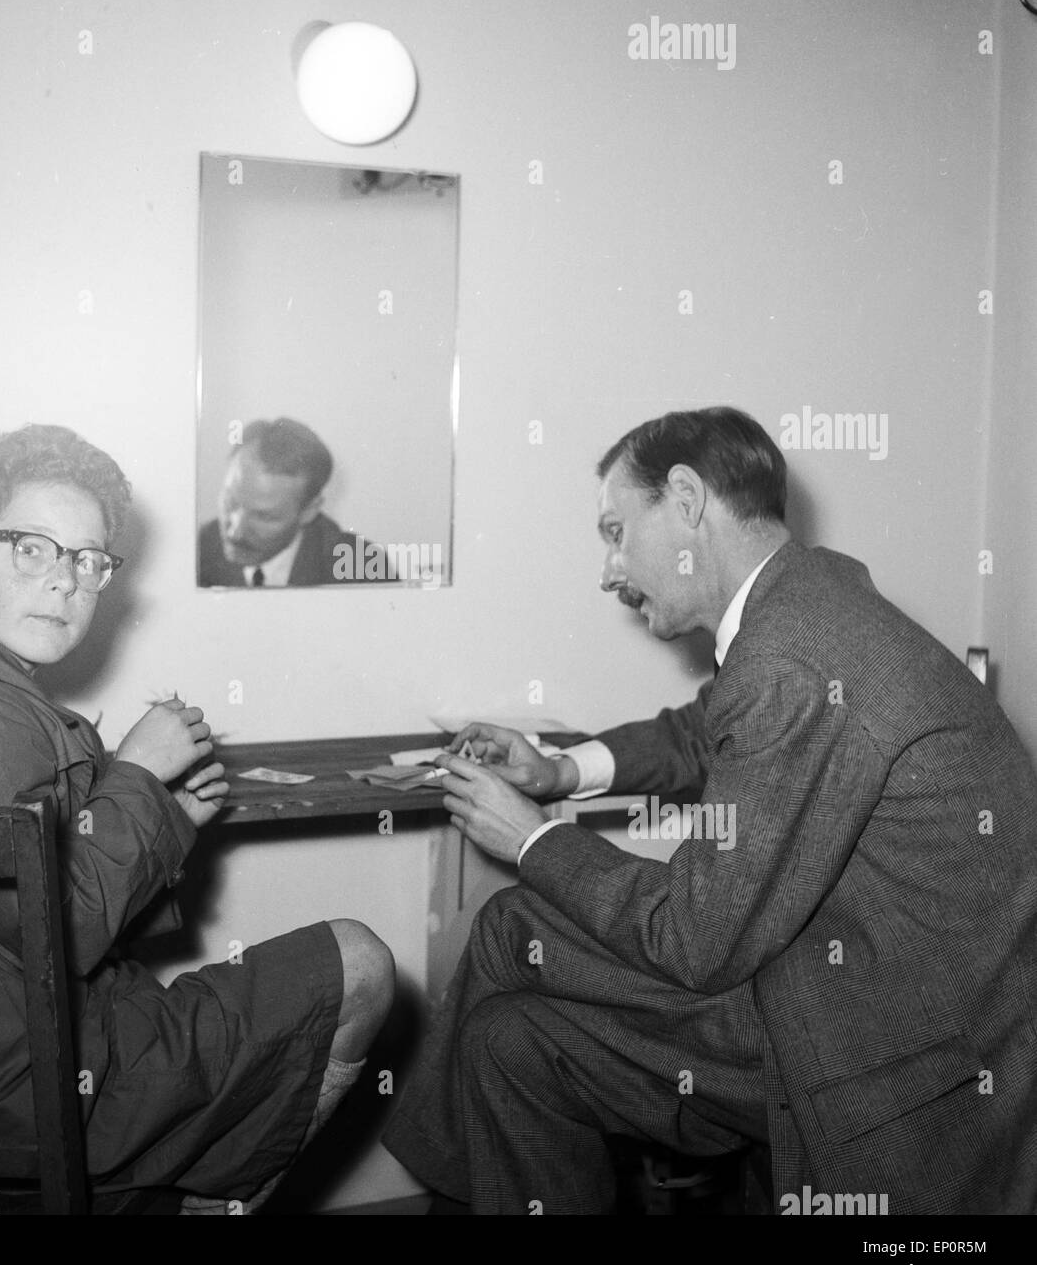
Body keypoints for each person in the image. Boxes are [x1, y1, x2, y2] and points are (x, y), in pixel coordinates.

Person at [382, 405, 1037, 1214]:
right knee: (508, 1042)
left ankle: (442, 1184)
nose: (608, 569)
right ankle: (459, 1185)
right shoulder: (809, 600)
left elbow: (696, 941)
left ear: (687, 500)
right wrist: (558, 771)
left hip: (882, 1043)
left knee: (515, 924)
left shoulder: (794, 656)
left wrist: (533, 839)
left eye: (617, 531)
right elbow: (706, 729)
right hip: (846, 982)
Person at [0, 423, 394, 1211]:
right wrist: (135, 773)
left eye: (89, 559)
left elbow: (23, 911)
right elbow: (67, 929)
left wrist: (166, 815)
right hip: (31, 1094)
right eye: (32, 547)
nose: (66, 581)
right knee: (361, 964)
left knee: (279, 999)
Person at [198, 417, 389, 587]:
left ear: (309, 511)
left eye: (264, 516)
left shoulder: (360, 568)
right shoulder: (190, 554)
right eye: (231, 501)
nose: (235, 531)